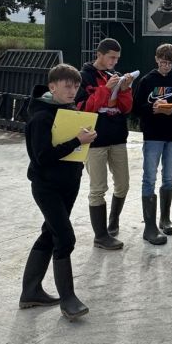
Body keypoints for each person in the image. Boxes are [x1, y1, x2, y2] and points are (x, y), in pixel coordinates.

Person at [21, 63, 97, 319]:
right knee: (65, 238)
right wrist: (77, 141)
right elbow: (42, 157)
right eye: (67, 86)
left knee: (49, 234)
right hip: (47, 187)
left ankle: (30, 292)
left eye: (76, 86)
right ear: (52, 87)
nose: (73, 91)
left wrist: (85, 139)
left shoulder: (69, 111)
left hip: (68, 183)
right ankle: (68, 299)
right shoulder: (41, 116)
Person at [77, 38, 132, 250]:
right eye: (111, 57)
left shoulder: (114, 75)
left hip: (117, 138)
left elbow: (126, 109)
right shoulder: (83, 77)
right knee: (98, 188)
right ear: (99, 54)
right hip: (95, 141)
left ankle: (113, 221)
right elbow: (83, 108)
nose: (114, 62)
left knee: (123, 184)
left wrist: (125, 89)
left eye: (117, 58)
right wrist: (105, 90)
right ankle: (100, 236)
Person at [132, 43, 172, 245]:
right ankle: (149, 226)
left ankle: (165, 218)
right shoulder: (147, 80)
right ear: (156, 59)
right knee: (149, 177)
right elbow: (135, 108)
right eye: (163, 62)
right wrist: (152, 108)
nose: (166, 66)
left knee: (169, 177)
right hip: (152, 135)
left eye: (170, 63)